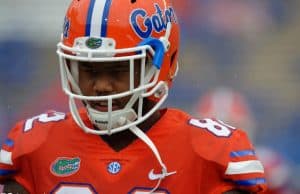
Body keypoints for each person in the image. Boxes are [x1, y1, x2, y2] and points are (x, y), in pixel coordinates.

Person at [0, 0, 267, 193]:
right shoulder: (34, 147)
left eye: (117, 68)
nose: (101, 86)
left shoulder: (208, 153)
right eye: (87, 68)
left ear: (161, 65)